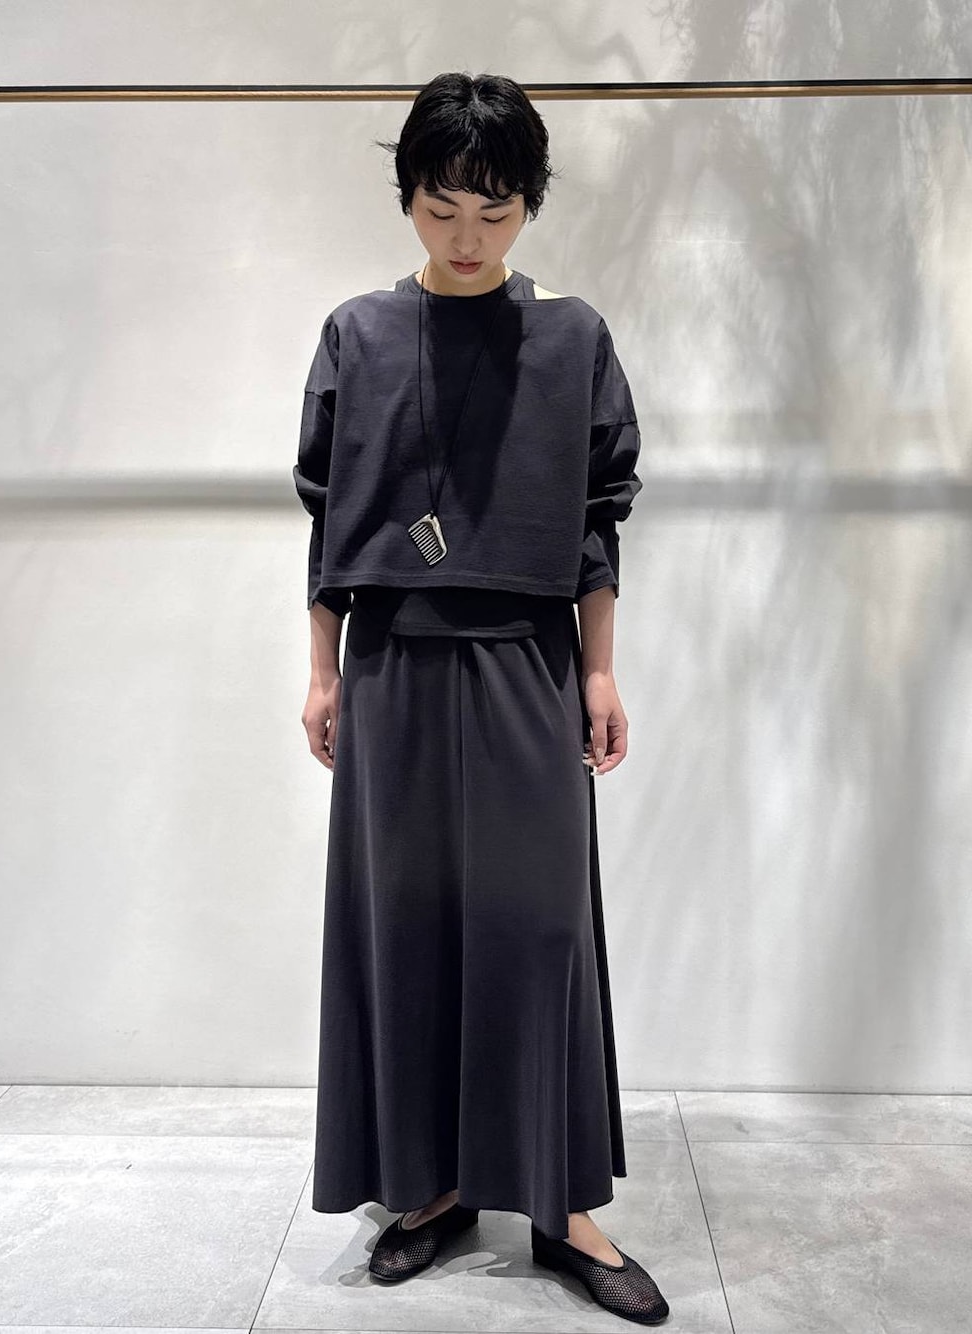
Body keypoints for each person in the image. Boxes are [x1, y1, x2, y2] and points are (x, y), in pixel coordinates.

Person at [292, 71, 670, 1325]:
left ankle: (562, 1203)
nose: (466, 238)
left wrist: (599, 666)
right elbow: (327, 515)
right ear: (407, 196)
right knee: (404, 923)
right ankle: (432, 1183)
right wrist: (321, 667)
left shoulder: (571, 339)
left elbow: (598, 518)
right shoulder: (355, 333)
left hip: (526, 656)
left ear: (529, 206)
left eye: (494, 212)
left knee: (538, 926)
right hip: (392, 661)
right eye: (442, 207)